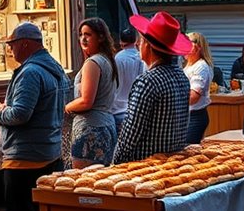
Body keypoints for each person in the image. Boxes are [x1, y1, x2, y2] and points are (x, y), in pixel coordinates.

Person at [0, 22, 69, 211]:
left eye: (12, 44)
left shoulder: (30, 72)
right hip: (49, 152)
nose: (11, 50)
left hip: (23, 158)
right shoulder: (54, 68)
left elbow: (20, 114)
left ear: (24, 43)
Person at [113, 12, 191, 164]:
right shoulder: (182, 78)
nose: (137, 44)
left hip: (144, 167)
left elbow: (129, 136)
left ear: (148, 46)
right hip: (173, 163)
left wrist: (115, 163)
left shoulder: (147, 81)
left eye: (141, 41)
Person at [65, 18, 118, 168]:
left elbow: (86, 101)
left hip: (91, 130)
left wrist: (66, 107)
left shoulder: (92, 63)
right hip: (106, 126)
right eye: (81, 34)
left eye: (88, 34)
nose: (83, 38)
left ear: (100, 37)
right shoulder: (107, 60)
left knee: (85, 183)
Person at [182, 32, 214, 144]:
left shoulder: (201, 67)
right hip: (187, 116)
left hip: (195, 117)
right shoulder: (189, 65)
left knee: (187, 154)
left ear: (198, 47)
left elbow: (193, 97)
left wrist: (174, 100)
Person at [111, 28, 144, 135]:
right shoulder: (141, 57)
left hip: (117, 109)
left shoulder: (117, 58)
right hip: (135, 110)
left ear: (121, 42)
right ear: (135, 41)